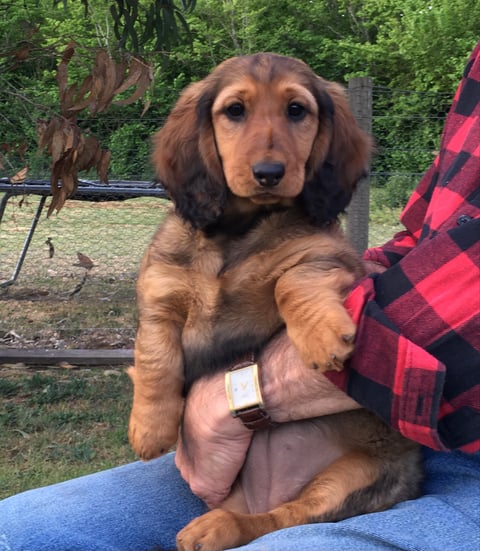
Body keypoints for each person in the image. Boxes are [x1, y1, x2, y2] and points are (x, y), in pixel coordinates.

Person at [1, 43, 479, 551]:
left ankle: (268, 525)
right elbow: (419, 247)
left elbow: (333, 269)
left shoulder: (308, 236)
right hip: (242, 457)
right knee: (17, 532)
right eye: (235, 112)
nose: (268, 153)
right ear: (202, 136)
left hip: (383, 450)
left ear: (324, 139)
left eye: (297, 112)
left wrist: (250, 387)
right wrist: (163, 395)